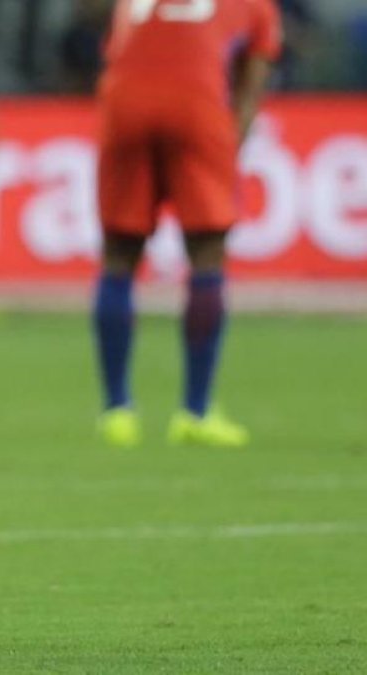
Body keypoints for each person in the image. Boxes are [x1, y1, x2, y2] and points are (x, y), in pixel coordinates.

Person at [93, 0, 281, 448]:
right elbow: (251, 87)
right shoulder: (257, 6)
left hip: (124, 104)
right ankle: (195, 412)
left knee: (119, 255)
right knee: (207, 254)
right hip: (197, 105)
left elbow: (116, 48)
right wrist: (228, 148)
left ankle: (117, 410)